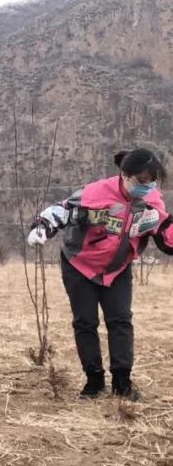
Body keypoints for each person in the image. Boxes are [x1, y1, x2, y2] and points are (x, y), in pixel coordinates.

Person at [28, 149, 171, 400]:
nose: (146, 186)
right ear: (124, 175)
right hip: (80, 264)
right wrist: (42, 227)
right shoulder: (95, 192)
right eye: (141, 181)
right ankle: (93, 381)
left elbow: (165, 233)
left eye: (151, 181)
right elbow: (61, 210)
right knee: (85, 322)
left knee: (120, 320)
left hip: (117, 268)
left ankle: (122, 382)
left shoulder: (152, 201)